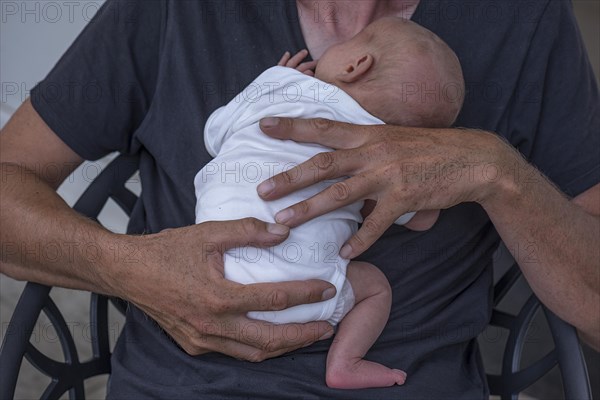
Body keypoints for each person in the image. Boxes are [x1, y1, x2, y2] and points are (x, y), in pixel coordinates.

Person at [0, 1, 597, 399]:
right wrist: (129, 269)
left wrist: (495, 171)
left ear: (357, 61)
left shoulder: (523, 22)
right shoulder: (177, 11)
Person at [194, 17, 463, 389]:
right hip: (307, 301)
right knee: (374, 287)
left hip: (211, 280)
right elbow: (422, 220)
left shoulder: (281, 86)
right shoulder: (382, 153)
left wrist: (269, 82)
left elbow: (214, 135)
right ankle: (345, 363)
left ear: (356, 65)